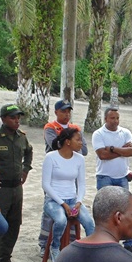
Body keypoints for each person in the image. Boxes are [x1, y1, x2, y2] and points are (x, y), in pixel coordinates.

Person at [0, 104, 32, 262]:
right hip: (0, 188)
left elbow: (29, 152)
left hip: (16, 188)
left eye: (18, 117)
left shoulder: (21, 137)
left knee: (14, 223)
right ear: (3, 119)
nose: (17, 120)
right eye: (13, 117)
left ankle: (5, 258)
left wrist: (26, 169)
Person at [38, 99, 87, 252]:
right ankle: (45, 243)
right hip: (54, 172)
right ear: (56, 112)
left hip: (72, 171)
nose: (66, 114)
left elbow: (84, 149)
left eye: (68, 111)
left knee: (74, 211)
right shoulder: (50, 127)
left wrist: (72, 142)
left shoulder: (75, 128)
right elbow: (55, 145)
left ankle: (70, 241)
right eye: (63, 111)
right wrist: (68, 144)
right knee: (51, 211)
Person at [41, 127, 96, 262]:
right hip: (53, 201)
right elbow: (46, 185)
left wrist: (78, 202)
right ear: (67, 142)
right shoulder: (51, 157)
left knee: (90, 223)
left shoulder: (79, 159)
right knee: (61, 220)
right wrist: (63, 204)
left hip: (72, 199)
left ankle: (91, 252)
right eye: (78, 140)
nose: (81, 143)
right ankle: (55, 247)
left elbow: (82, 184)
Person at [92, 108, 132, 254]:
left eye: (117, 118)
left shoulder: (125, 133)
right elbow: (102, 155)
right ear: (105, 119)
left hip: (122, 176)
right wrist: (121, 151)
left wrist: (112, 149)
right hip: (104, 176)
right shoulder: (98, 134)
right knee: (105, 210)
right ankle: (103, 239)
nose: (115, 121)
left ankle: (128, 242)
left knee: (126, 210)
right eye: (112, 118)